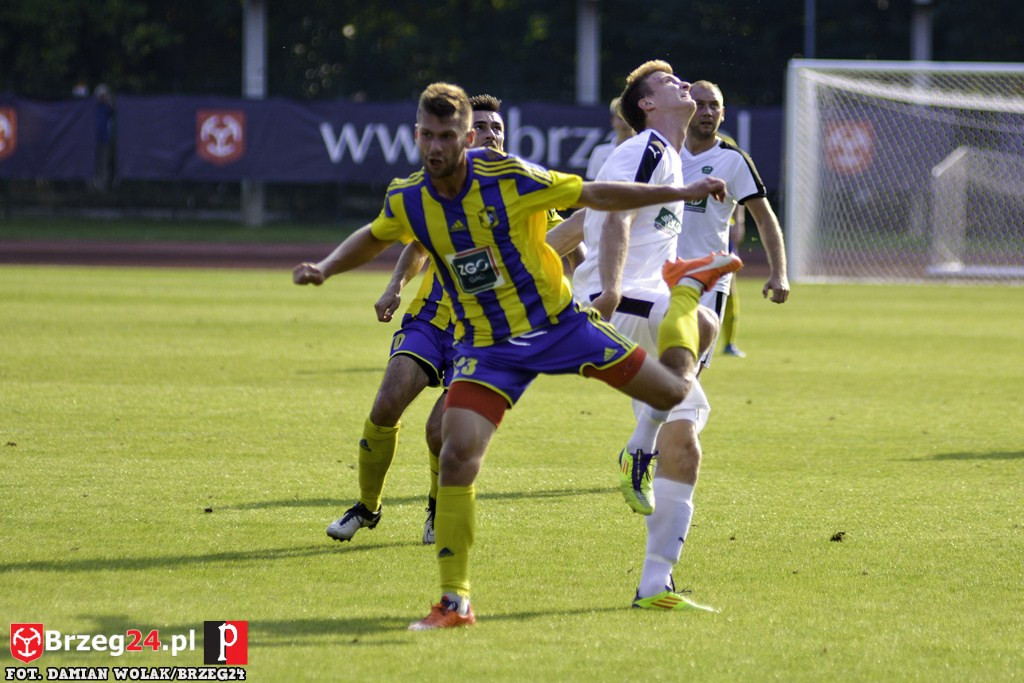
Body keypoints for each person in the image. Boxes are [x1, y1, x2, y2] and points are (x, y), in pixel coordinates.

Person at [294, 81, 740, 630]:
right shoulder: (409, 197)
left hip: (561, 326)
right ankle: (453, 602)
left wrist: (679, 193)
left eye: (448, 135)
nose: (437, 147)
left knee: (673, 391)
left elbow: (597, 198)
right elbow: (375, 234)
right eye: (427, 135)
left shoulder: (511, 177)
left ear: (467, 138)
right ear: (416, 136)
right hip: (491, 346)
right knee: (458, 452)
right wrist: (325, 267)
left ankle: (687, 292)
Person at [296, 94, 516, 548]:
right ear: (470, 136)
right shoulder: (437, 186)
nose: (493, 134)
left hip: (484, 333)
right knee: (385, 406)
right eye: (486, 127)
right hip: (431, 318)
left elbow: (569, 238)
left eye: (500, 128)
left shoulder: (520, 187)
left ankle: (436, 507)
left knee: (441, 430)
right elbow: (415, 244)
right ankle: (366, 507)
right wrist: (394, 286)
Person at [572, 60, 739, 612]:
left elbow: (596, 222)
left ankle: (654, 585)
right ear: (647, 104)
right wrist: (611, 290)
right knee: (704, 318)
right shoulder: (647, 149)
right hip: (612, 300)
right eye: (669, 82)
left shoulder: (670, 158)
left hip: (643, 298)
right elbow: (615, 213)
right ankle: (638, 447)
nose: (683, 82)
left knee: (688, 432)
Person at [585, 97, 636, 180]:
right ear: (612, 121)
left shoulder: (646, 151)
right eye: (620, 118)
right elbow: (593, 183)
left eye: (629, 118)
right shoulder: (599, 152)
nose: (625, 123)